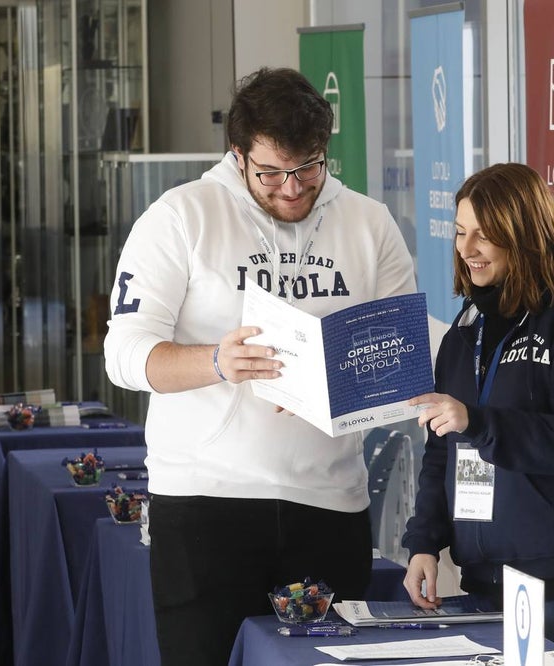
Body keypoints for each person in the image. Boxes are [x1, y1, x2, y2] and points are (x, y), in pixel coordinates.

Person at [102, 67, 416, 666]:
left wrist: (340, 378)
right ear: (237, 155)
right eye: (271, 173)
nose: (293, 188)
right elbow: (124, 354)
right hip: (204, 502)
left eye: (309, 168)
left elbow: (401, 359)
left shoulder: (370, 225)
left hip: (329, 501)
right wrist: (218, 361)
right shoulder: (181, 217)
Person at [401, 163, 554, 666]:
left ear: (523, 234)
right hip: (486, 577)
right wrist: (424, 543)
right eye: (461, 233)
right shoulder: (465, 330)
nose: (467, 248)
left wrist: (478, 422)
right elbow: (443, 450)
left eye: (486, 234)